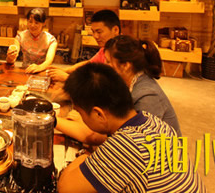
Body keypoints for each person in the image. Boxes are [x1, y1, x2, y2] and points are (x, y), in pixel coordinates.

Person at [58, 63, 206, 193]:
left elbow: (66, 188)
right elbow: (93, 137)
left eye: (80, 112)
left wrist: (86, 155)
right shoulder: (152, 121)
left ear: (99, 114)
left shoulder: (124, 147)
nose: (81, 118)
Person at [104, 35, 182, 136]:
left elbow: (141, 139)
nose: (104, 65)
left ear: (125, 65)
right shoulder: (127, 83)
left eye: (108, 61)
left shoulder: (147, 96)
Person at [47, 9, 120, 82]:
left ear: (115, 30)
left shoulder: (121, 51)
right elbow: (89, 64)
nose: (95, 36)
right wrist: (65, 70)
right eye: (93, 32)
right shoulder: (105, 49)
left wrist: (67, 78)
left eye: (99, 32)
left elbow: (106, 85)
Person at [6, 8, 58, 73]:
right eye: (30, 22)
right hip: (26, 70)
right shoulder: (20, 37)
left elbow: (49, 61)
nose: (32, 25)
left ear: (44, 23)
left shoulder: (51, 40)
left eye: (36, 23)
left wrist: (39, 67)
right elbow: (11, 60)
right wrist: (10, 57)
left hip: (42, 71)